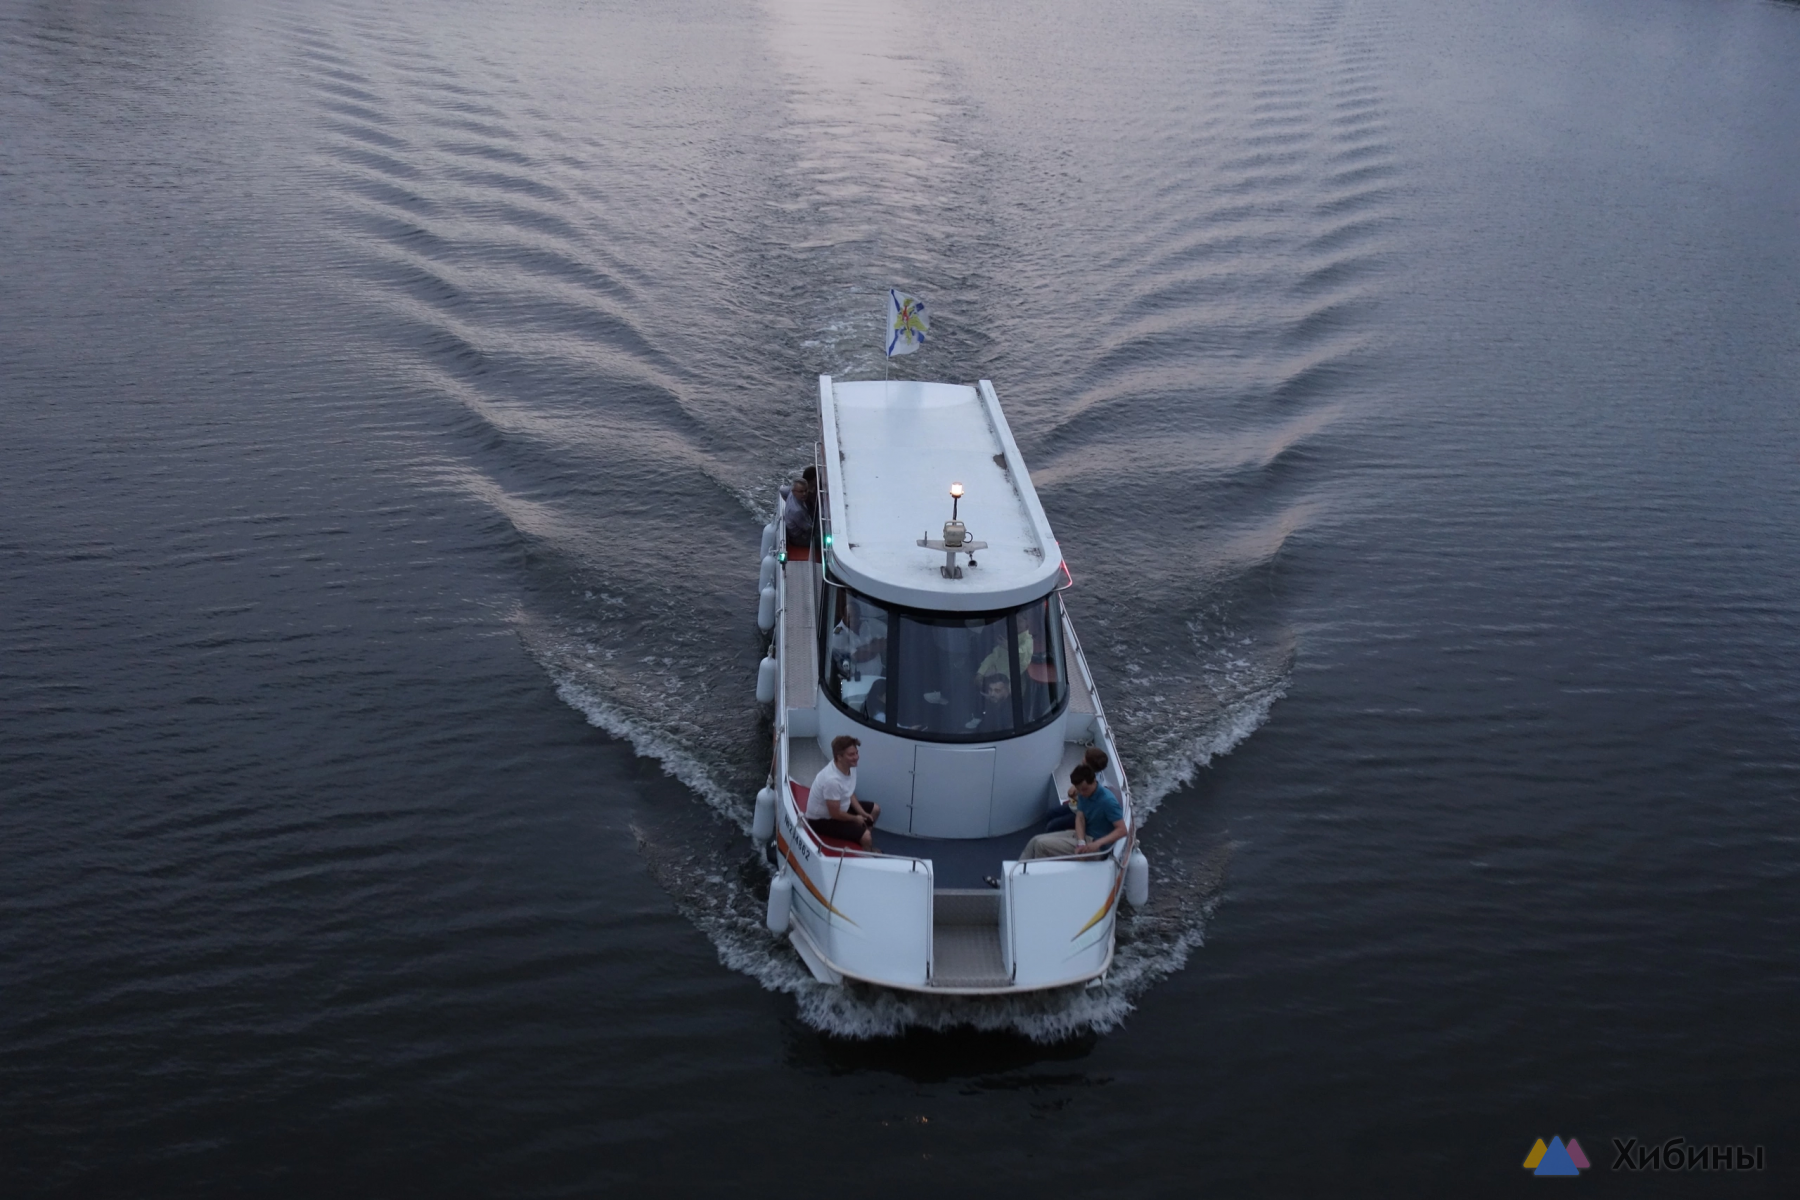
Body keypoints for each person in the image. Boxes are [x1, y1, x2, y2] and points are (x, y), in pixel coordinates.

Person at [1018, 763, 1124, 861]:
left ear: (1093, 781)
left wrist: (1098, 843)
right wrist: (1081, 842)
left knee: (1041, 845)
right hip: (1083, 837)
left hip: (1096, 847)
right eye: (1079, 790)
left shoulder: (1108, 801)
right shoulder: (1084, 793)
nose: (1081, 793)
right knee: (1034, 840)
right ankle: (1016, 872)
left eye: (1084, 789)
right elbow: (1080, 818)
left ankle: (1031, 875)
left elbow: (1122, 830)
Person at [807, 734, 880, 851]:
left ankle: (860, 839)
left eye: (856, 753)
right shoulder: (832, 781)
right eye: (851, 754)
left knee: (875, 809)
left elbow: (849, 792)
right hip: (822, 820)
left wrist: (862, 812)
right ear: (839, 757)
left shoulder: (849, 766)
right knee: (866, 837)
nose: (856, 757)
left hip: (840, 808)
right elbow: (835, 814)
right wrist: (855, 818)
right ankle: (867, 854)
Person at [1044, 746, 1108, 832]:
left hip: (1083, 814)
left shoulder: (1092, 783)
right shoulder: (1087, 774)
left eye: (1084, 757)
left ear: (1088, 764)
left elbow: (1079, 797)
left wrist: (1074, 794)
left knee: (1052, 826)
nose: (1082, 758)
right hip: (1075, 806)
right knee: (1050, 814)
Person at [783, 468, 818, 559]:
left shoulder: (790, 492)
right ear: (794, 492)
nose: (804, 494)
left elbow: (781, 491)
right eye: (801, 492)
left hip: (797, 524)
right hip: (798, 538)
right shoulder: (798, 511)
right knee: (821, 540)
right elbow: (810, 529)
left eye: (806, 490)